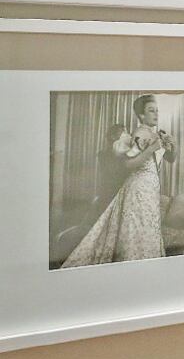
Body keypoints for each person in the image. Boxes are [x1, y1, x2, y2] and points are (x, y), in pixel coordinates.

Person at [62, 95, 177, 268]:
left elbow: (170, 159)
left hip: (150, 189)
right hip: (138, 188)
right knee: (136, 232)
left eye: (157, 110)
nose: (156, 114)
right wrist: (152, 148)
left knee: (147, 231)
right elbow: (128, 164)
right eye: (151, 111)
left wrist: (173, 147)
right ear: (141, 116)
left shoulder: (156, 134)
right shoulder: (139, 133)